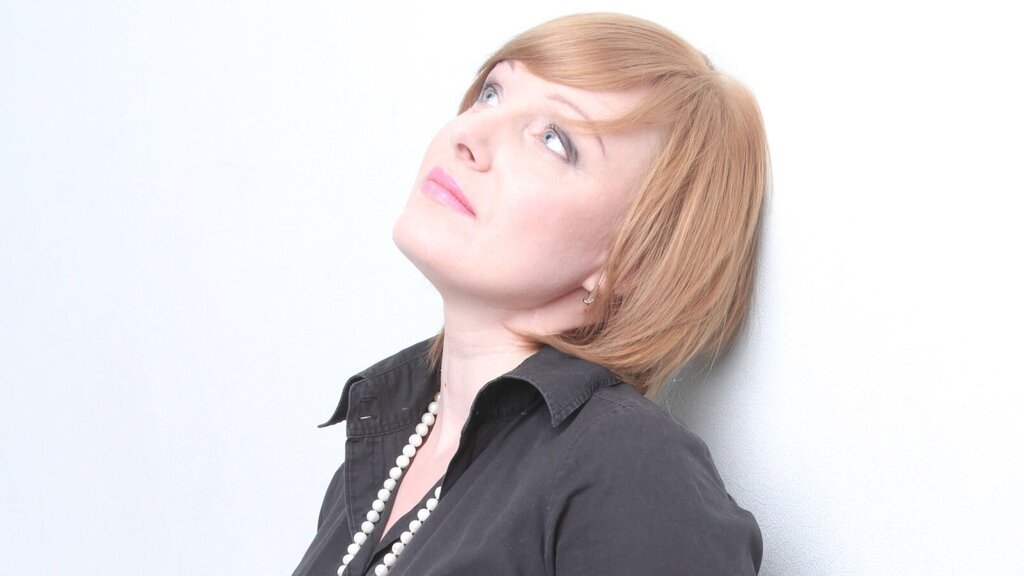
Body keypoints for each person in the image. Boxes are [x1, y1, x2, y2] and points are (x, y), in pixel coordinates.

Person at [292, 11, 768, 576]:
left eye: (553, 140)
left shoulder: (625, 465)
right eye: (491, 93)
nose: (468, 136)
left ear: (632, 261)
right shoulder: (389, 448)